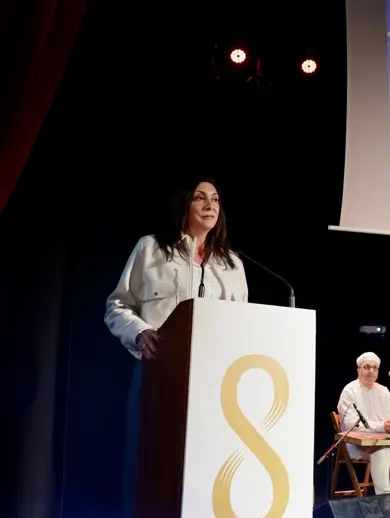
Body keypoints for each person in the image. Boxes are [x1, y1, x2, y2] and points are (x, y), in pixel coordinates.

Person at [104, 178, 248, 518]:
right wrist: (140, 332)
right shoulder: (151, 249)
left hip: (215, 387)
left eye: (215, 199)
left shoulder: (231, 264)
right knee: (151, 470)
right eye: (200, 198)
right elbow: (117, 306)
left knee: (205, 471)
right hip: (159, 377)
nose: (210, 205)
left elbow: (242, 323)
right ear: (183, 204)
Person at [337, 352, 390, 495]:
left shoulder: (383, 391)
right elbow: (352, 425)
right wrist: (382, 427)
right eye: (367, 367)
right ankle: (385, 498)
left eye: (375, 368)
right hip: (358, 445)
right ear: (359, 370)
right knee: (383, 451)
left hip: (387, 442)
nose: (371, 371)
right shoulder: (349, 391)